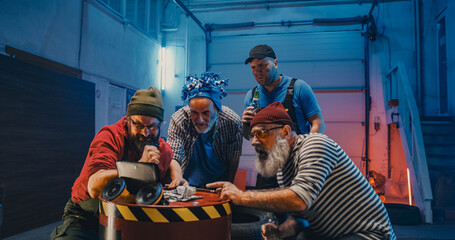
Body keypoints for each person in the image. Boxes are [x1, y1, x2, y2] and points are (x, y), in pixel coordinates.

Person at [208, 102, 396, 240]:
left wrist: (240, 196)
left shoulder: (315, 144)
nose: (255, 141)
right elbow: (301, 218)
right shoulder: (284, 168)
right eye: (252, 135)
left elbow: (299, 200)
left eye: (261, 133)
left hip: (369, 234)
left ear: (285, 131)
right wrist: (281, 231)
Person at [51, 86, 187, 240]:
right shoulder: (110, 136)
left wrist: (177, 175)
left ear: (160, 124)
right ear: (128, 120)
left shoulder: (161, 148)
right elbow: (95, 185)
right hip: (88, 218)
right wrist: (139, 168)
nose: (145, 133)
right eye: (139, 125)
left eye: (152, 126)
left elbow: (170, 160)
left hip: (131, 220)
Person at [242, 44, 325, 190]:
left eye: (262, 65)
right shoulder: (252, 96)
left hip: (296, 163)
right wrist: (245, 124)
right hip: (267, 164)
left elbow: (318, 123)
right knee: (265, 208)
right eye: (254, 68)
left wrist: (307, 152)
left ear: (275, 63)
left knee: (298, 207)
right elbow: (249, 137)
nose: (258, 72)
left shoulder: (298, 88)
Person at [167, 72, 243, 188]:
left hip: (218, 181)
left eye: (206, 113)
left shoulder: (232, 122)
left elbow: (234, 157)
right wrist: (178, 178)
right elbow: (174, 155)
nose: (200, 120)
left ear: (217, 110)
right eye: (194, 113)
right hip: (187, 181)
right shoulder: (179, 120)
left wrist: (229, 183)